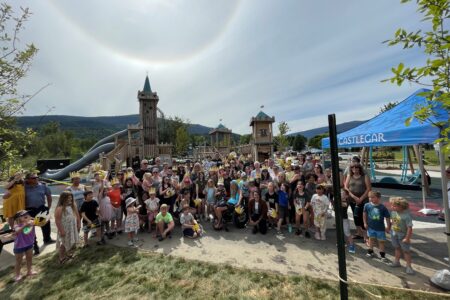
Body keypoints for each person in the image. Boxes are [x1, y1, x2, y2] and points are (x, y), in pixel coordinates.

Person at [24, 173, 54, 255]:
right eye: (33, 178)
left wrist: (49, 206)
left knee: (45, 225)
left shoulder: (43, 186)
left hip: (41, 208)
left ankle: (47, 239)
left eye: (36, 177)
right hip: (29, 210)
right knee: (30, 228)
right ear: (28, 180)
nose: (36, 179)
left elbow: (49, 196)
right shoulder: (24, 187)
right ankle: (35, 246)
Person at [344, 162, 371, 242]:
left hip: (363, 200)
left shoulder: (364, 176)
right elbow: (346, 187)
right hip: (352, 200)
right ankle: (359, 233)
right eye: (353, 168)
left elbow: (368, 188)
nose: (355, 170)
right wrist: (354, 197)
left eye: (356, 168)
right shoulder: (350, 176)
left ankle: (366, 236)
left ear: (360, 169)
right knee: (356, 216)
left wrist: (361, 198)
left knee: (363, 217)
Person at [389, 197, 415, 274]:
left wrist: (407, 238)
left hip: (403, 236)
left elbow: (409, 228)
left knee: (406, 251)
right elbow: (393, 222)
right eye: (392, 205)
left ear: (402, 206)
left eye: (394, 206)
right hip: (394, 233)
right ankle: (397, 261)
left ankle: (409, 266)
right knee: (397, 248)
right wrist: (389, 228)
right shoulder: (393, 213)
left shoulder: (406, 216)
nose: (392, 207)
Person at [363, 191, 390, 261]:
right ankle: (370, 251)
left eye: (372, 197)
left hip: (380, 228)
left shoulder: (382, 207)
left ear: (378, 198)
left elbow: (387, 217)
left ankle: (382, 255)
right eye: (369, 197)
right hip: (370, 227)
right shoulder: (367, 205)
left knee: (381, 242)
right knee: (371, 239)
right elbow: (364, 214)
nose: (370, 199)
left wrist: (388, 227)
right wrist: (365, 223)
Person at [54, 191, 80, 264]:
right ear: (63, 199)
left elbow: (77, 215)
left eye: (71, 198)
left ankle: (68, 254)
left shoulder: (73, 206)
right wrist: (61, 230)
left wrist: (78, 224)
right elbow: (58, 221)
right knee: (64, 243)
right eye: (68, 198)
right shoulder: (60, 208)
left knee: (71, 241)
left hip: (72, 227)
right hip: (65, 228)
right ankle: (61, 257)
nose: (70, 199)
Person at [13, 210, 37, 282]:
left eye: (27, 214)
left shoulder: (32, 222)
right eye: (23, 215)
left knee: (29, 258)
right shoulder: (16, 225)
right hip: (19, 246)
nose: (26, 215)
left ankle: (29, 271)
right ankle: (17, 275)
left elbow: (41, 222)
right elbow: (17, 231)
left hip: (29, 244)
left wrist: (45, 219)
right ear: (18, 218)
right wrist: (25, 225)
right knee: (19, 261)